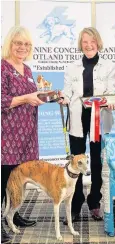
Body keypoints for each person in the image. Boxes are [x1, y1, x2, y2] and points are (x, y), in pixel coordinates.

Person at [59, 27, 115, 224]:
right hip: (77, 118)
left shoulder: (109, 66)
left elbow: (112, 91)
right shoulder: (71, 67)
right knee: (75, 164)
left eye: (92, 41)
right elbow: (67, 92)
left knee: (97, 163)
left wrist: (111, 99)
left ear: (98, 42)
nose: (88, 45)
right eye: (85, 42)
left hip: (98, 119)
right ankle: (75, 204)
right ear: (80, 44)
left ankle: (94, 203)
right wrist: (63, 98)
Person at [1, 26, 46, 243]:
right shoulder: (2, 68)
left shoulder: (27, 70)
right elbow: (2, 100)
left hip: (27, 134)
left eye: (26, 44)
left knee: (20, 177)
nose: (22, 47)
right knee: (3, 179)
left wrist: (48, 97)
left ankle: (14, 214)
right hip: (8, 135)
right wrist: (27, 98)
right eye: (18, 43)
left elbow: (32, 96)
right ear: (10, 44)